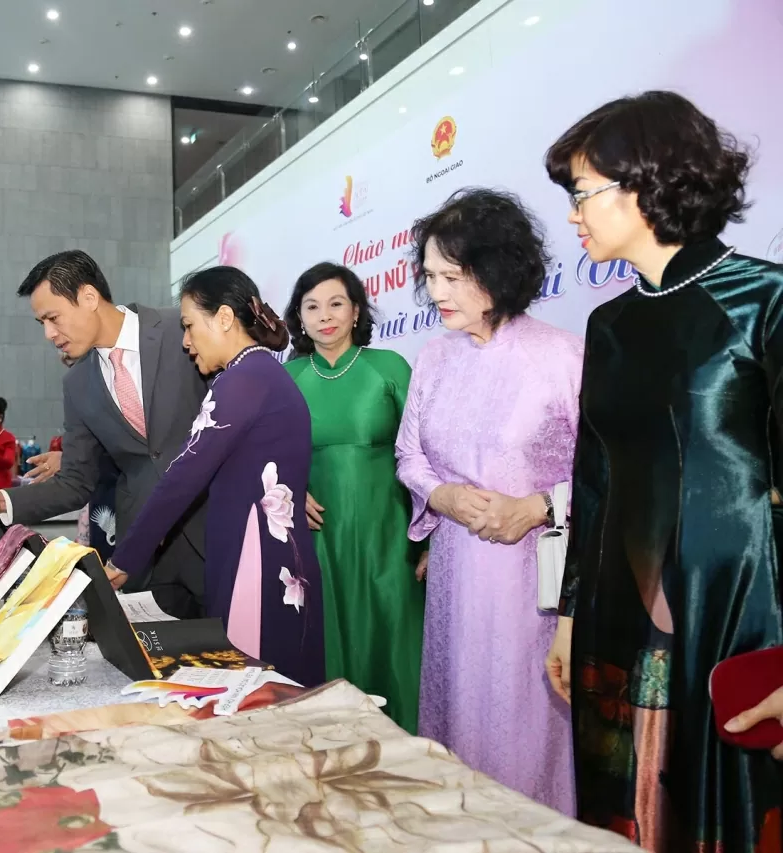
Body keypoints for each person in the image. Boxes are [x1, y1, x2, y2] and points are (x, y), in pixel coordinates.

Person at [542, 92, 783, 851]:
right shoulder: (606, 324)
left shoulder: (764, 300)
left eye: (583, 192)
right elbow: (592, 481)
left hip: (740, 611)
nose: (573, 214)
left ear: (646, 182)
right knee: (627, 810)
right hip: (618, 617)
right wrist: (571, 614)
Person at [394, 188, 581, 814]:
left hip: (532, 588)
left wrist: (537, 506)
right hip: (453, 579)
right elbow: (409, 456)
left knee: (523, 732)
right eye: (430, 277)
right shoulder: (434, 357)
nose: (439, 292)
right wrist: (441, 494)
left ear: (498, 272)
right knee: (457, 722)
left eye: (454, 276)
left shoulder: (562, 357)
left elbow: (607, 475)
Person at [103, 267, 325, 686]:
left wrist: (123, 560)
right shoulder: (263, 375)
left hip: (255, 563)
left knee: (251, 691)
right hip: (268, 556)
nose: (186, 342)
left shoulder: (242, 381)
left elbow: (182, 476)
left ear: (224, 318)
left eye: (189, 326)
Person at [0, 250, 209, 618]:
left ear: (89, 298)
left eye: (53, 317)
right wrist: (3, 500)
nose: (48, 334)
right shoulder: (78, 383)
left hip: (216, 531)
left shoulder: (181, 329)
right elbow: (76, 481)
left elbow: (248, 400)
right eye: (41, 323)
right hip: (143, 553)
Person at [282, 262, 424, 733]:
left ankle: (409, 747)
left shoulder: (388, 367)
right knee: (328, 637)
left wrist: (429, 539)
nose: (326, 316)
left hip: (389, 532)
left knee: (393, 635)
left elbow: (424, 453)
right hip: (318, 537)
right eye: (312, 306)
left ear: (356, 309)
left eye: (336, 303)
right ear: (298, 317)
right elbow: (266, 452)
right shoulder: (291, 375)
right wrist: (291, 486)